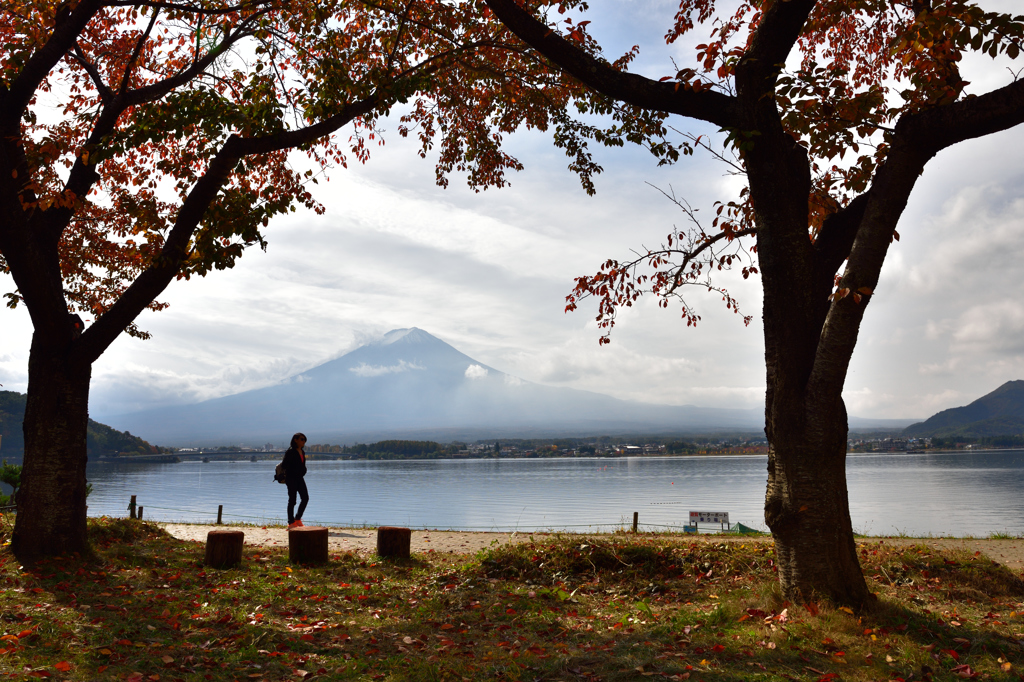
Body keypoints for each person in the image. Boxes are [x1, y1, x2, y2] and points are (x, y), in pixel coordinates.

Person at [282, 432, 309, 528]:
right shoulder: (290, 452)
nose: (303, 441)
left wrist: (304, 470)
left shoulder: (302, 452)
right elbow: (284, 465)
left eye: (304, 440)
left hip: (300, 478)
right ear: (295, 440)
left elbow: (303, 465)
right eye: (302, 439)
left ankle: (298, 519)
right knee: (292, 500)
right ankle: (291, 522)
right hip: (291, 478)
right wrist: (294, 469)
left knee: (305, 498)